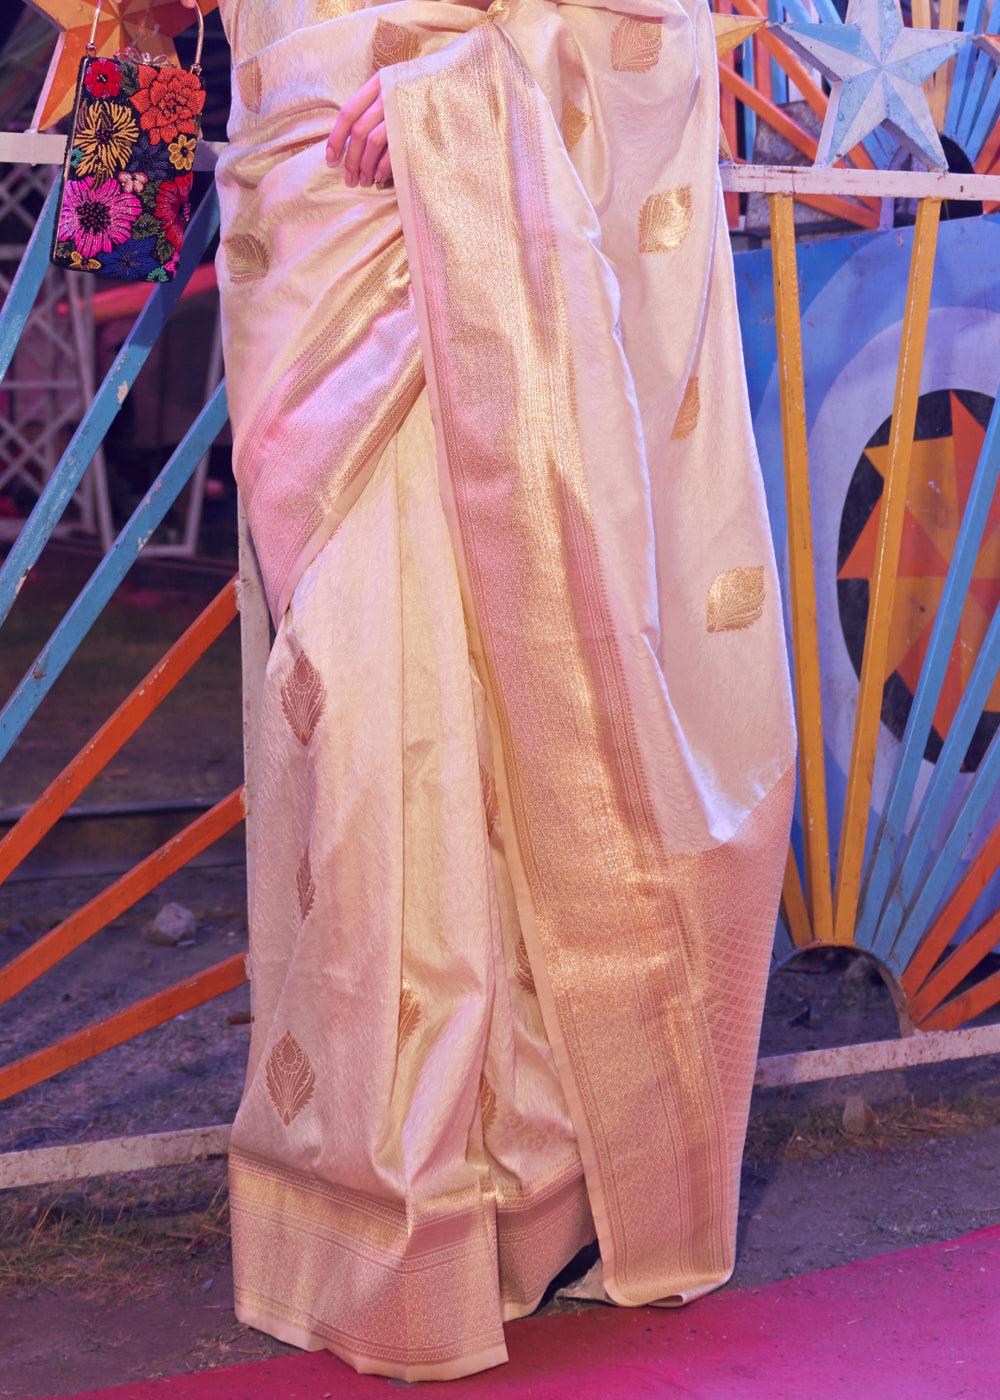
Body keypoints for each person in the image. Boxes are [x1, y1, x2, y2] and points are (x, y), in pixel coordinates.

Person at [186, 0, 797, 1381]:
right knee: (360, 737)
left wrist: (470, 87)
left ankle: (539, 1184)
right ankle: (392, 1198)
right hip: (308, 250)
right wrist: (117, 124)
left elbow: (638, 24)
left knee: (500, 718)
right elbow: (154, 53)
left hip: (461, 215)